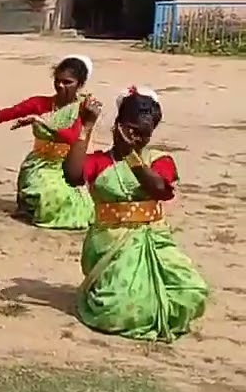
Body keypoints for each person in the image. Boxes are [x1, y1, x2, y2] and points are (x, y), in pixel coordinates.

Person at [63, 88, 207, 342]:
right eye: (130, 129)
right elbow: (72, 175)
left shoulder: (159, 160)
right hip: (110, 245)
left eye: (144, 134)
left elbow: (161, 190)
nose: (135, 137)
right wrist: (86, 125)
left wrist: (131, 157)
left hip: (153, 240)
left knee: (191, 292)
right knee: (117, 308)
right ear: (117, 125)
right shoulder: (100, 162)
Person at [0, 55, 95, 230]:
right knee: (49, 194)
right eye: (57, 81)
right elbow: (0, 116)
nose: (60, 86)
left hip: (68, 165)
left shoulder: (84, 109)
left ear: (80, 84)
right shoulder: (40, 103)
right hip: (40, 165)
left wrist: (40, 122)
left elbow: (72, 138)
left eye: (67, 82)